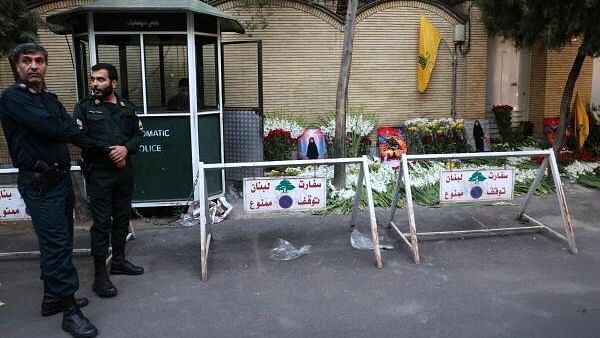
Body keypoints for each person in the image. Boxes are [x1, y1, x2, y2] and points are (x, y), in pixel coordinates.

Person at [0, 43, 98, 338]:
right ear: (16, 65)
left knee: (61, 242)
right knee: (56, 245)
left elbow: (68, 127)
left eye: (39, 61)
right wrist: (63, 127)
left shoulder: (50, 99)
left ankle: (52, 298)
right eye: (27, 61)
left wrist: (101, 146)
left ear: (45, 65)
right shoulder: (11, 98)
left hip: (60, 180)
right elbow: (54, 128)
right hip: (40, 184)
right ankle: (70, 311)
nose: (33, 66)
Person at [73, 63, 144, 299]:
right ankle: (99, 275)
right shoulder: (84, 108)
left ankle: (120, 261)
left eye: (101, 80)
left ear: (113, 83)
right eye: (93, 79)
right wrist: (110, 151)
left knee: (122, 217)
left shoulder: (127, 107)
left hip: (124, 172)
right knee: (102, 222)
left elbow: (138, 135)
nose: (95, 84)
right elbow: (79, 137)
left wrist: (125, 150)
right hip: (99, 174)